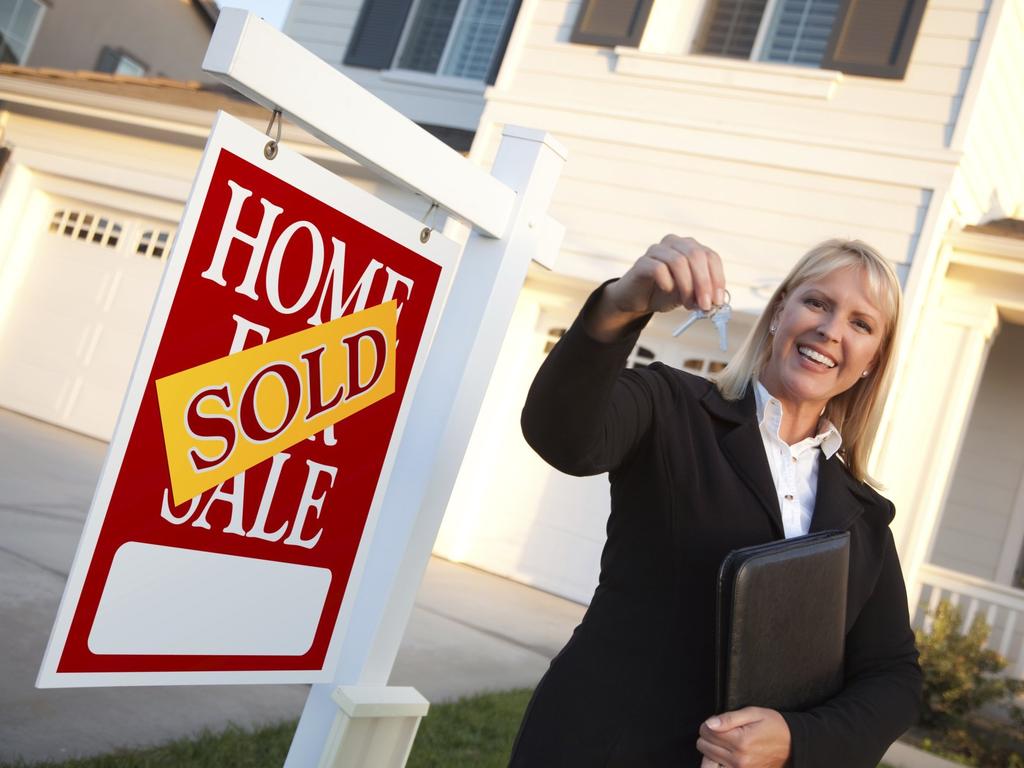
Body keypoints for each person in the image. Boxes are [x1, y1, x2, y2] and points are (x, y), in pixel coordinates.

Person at [511, 236, 923, 767]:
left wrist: (798, 740)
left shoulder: (864, 519)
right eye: (817, 302)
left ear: (872, 361)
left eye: (861, 324)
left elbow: (893, 677)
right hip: (600, 747)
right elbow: (561, 435)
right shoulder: (673, 407)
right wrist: (621, 304)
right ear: (779, 313)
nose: (831, 329)